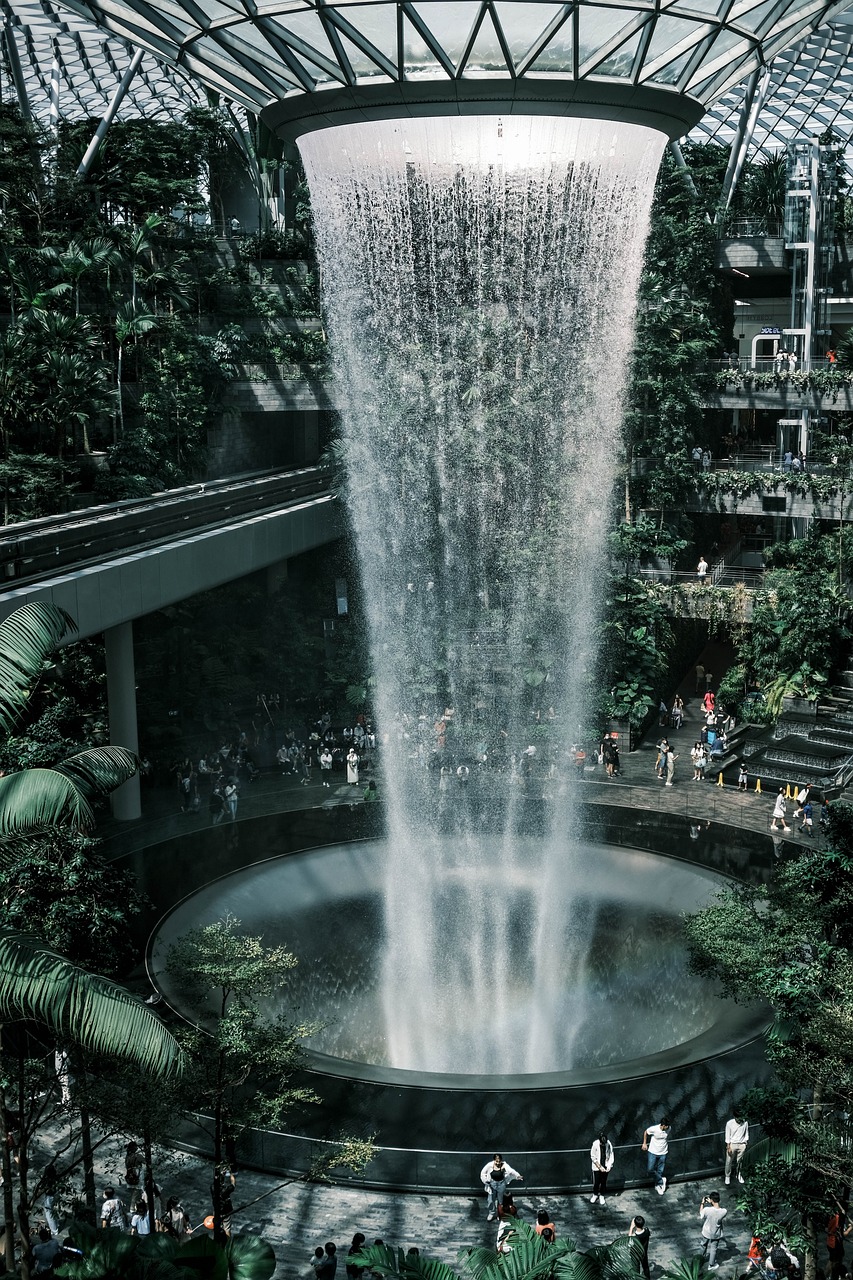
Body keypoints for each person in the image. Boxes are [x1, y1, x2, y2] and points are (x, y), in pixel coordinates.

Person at [480, 1154, 523, 1222]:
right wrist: (485, 1181)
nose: (498, 1163)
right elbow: (482, 1173)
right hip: (492, 1184)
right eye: (496, 1161)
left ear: (501, 1160)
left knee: (501, 1201)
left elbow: (511, 1171)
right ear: (494, 1160)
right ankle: (491, 1213)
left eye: (499, 1161)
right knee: (491, 1200)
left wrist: (518, 1175)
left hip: (501, 1184)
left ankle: (499, 1214)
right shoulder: (489, 1165)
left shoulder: (504, 1165)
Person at [641, 1116, 671, 1194]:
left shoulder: (669, 1129)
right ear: (663, 1125)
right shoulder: (654, 1129)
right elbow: (646, 1132)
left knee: (660, 1170)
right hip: (653, 1152)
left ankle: (658, 1185)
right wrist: (644, 1143)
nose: (668, 1127)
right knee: (650, 1169)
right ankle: (661, 1180)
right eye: (666, 1126)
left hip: (663, 1152)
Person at [699, 1192, 727, 1269]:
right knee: (713, 1248)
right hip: (716, 1233)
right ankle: (711, 1265)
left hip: (706, 1232)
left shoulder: (707, 1210)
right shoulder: (724, 1211)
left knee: (703, 1245)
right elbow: (716, 1210)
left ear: (711, 1200)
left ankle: (700, 1260)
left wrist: (702, 1203)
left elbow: (701, 1214)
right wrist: (711, 1202)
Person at [827, 1206, 852, 1280]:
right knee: (836, 1263)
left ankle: (826, 1276)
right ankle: (834, 1277)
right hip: (835, 1243)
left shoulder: (832, 1216)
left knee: (831, 1260)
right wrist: (850, 1228)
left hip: (830, 1242)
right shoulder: (838, 1219)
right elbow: (843, 1234)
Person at [590, 1132, 614, 1204]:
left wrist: (609, 1166)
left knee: (603, 1182)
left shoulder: (609, 1144)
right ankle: (595, 1194)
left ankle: (602, 1195)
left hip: (605, 1165)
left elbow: (611, 1155)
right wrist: (599, 1167)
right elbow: (593, 1157)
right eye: (602, 1144)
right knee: (596, 1182)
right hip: (597, 1167)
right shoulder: (595, 1144)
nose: (603, 1145)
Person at [724, 1112, 749, 1184]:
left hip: (742, 1144)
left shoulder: (745, 1122)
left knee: (740, 1161)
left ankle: (738, 1174)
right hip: (733, 1144)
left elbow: (746, 1132)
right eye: (738, 1117)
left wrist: (745, 1142)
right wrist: (728, 1146)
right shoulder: (729, 1123)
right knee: (729, 1161)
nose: (739, 1119)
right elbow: (727, 1135)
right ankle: (727, 1176)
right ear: (735, 1117)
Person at [629, 1216, 651, 1280]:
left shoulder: (635, 1237)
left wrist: (631, 1227)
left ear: (635, 1225)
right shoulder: (647, 1231)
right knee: (645, 1267)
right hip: (644, 1252)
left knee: (636, 1268)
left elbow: (629, 1240)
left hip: (636, 1254)